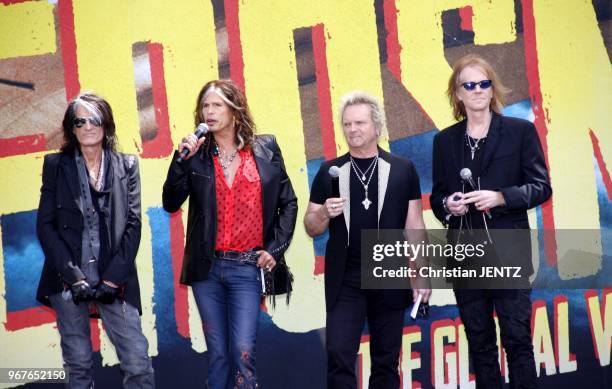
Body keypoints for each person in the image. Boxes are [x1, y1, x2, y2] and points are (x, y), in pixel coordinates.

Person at [162, 79, 297, 389]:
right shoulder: (195, 155)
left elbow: (288, 203)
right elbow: (171, 201)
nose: (209, 112)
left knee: (242, 352)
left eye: (217, 105)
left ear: (235, 110)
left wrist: (273, 250)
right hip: (207, 269)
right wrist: (180, 159)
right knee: (219, 355)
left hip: (247, 268)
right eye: (205, 106)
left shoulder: (266, 148)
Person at [430, 54, 552, 388]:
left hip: (507, 251)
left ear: (492, 88)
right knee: (480, 345)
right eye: (469, 85)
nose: (478, 90)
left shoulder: (520, 131)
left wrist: (501, 197)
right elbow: (437, 196)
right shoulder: (444, 141)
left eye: (484, 83)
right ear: (458, 93)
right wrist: (448, 205)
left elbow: (541, 187)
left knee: (517, 340)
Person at [304, 91, 430, 389]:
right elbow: (311, 227)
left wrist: (422, 273)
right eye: (347, 124)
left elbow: (414, 225)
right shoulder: (329, 171)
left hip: (389, 272)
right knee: (338, 354)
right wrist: (323, 212)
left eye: (359, 123)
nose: (352, 130)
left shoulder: (403, 169)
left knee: (386, 360)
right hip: (345, 277)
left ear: (377, 127)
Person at [36, 92, 155, 388]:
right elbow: (46, 225)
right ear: (71, 128)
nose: (88, 126)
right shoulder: (55, 165)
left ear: (107, 124)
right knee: (77, 365)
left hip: (116, 278)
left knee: (138, 362)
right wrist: (73, 277)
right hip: (68, 279)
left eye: (95, 119)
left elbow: (132, 225)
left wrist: (113, 280)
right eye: (80, 120)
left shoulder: (126, 165)